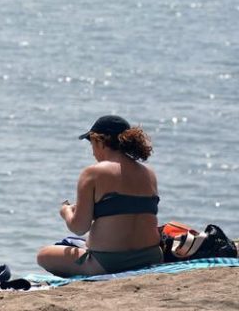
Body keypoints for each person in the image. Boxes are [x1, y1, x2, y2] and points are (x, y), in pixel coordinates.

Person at [36, 115, 163, 277]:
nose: (93, 152)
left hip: (109, 263)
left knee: (43, 255)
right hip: (151, 257)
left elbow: (79, 227)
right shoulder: (149, 173)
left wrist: (66, 212)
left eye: (92, 144)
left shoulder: (93, 173)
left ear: (99, 141)